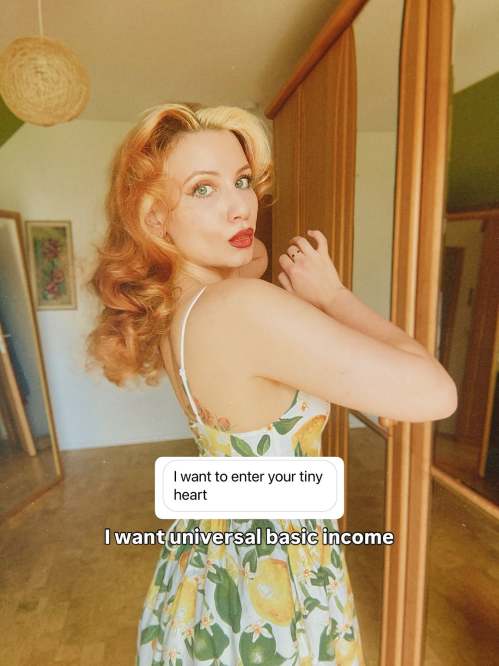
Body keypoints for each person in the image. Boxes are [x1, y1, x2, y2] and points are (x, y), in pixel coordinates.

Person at [86, 103, 457, 665]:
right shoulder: (241, 307)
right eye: (203, 189)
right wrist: (333, 296)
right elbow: (437, 393)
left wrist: (232, 243)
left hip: (211, 560)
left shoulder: (181, 308)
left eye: (241, 181)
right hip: (274, 572)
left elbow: (254, 256)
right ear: (156, 220)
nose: (241, 206)